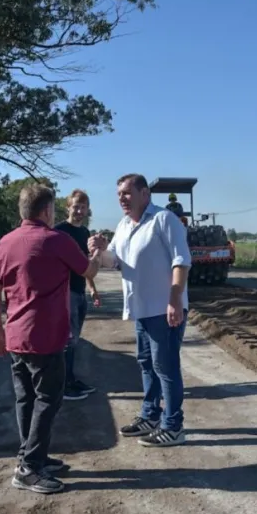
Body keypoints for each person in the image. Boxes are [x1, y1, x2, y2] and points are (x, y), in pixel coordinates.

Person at [0, 183, 99, 494]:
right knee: (49, 399)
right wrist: (98, 250)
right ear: (48, 210)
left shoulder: (6, 242)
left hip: (15, 338)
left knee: (26, 399)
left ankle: (30, 455)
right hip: (45, 337)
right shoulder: (56, 240)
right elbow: (88, 270)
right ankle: (29, 469)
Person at [88, 173, 192, 448]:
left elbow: (182, 261)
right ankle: (150, 415)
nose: (122, 198)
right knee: (147, 363)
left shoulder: (163, 220)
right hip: (141, 309)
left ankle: (173, 426)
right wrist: (100, 249)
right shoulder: (123, 225)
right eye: (119, 194)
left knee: (166, 367)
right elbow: (115, 261)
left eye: (127, 192)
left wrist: (174, 299)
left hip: (164, 308)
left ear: (145, 194)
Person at [54, 188, 102, 401]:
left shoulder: (84, 234)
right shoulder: (58, 232)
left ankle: (71, 379)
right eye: (76, 206)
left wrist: (92, 289)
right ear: (68, 207)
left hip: (80, 292)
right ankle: (64, 385)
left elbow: (85, 265)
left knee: (74, 341)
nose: (79, 210)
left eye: (83, 207)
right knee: (67, 341)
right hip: (65, 294)